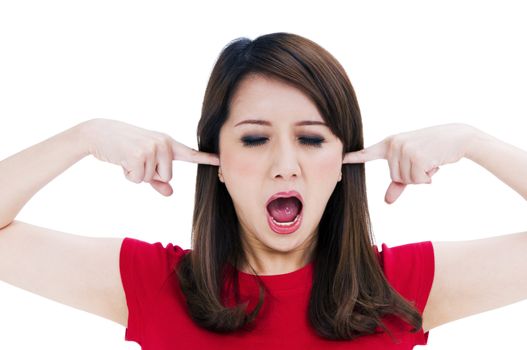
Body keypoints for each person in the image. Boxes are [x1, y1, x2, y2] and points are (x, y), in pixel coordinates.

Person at [0, 32, 526, 349]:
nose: (284, 165)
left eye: (311, 138)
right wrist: (85, 136)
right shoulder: (152, 285)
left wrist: (472, 141)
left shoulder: (401, 288)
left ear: (345, 162)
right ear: (217, 162)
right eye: (254, 138)